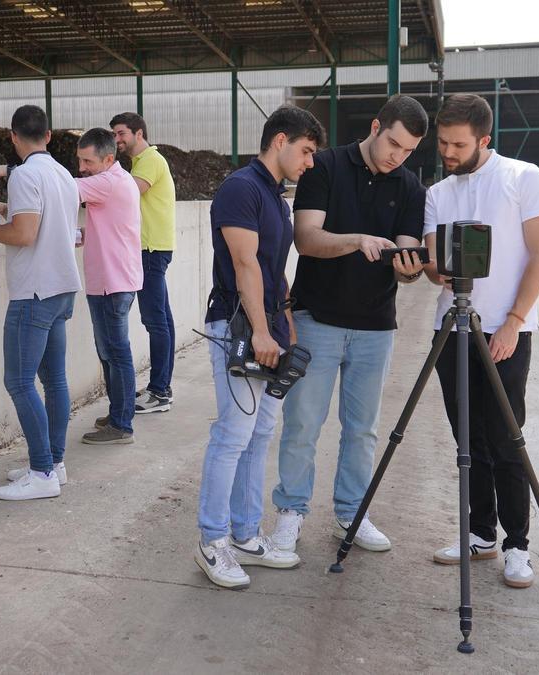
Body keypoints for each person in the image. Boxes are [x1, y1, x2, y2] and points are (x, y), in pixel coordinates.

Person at [268, 95, 429, 558]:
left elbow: (404, 259)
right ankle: (291, 513)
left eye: (408, 150)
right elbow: (307, 239)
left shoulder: (410, 187)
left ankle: (352, 514)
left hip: (376, 326)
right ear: (376, 127)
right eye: (393, 143)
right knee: (303, 423)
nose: (397, 156)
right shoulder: (324, 166)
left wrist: (410, 267)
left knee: (362, 429)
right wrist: (357, 241)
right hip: (317, 318)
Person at [421, 94, 539, 589]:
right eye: (442, 142)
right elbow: (438, 264)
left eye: (458, 144)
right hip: (451, 330)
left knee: (506, 438)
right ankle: (480, 534)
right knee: (467, 440)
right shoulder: (438, 192)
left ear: (484, 139)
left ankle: (518, 544)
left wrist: (515, 320)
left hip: (505, 330)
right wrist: (423, 267)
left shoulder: (523, 178)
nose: (448, 151)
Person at [194, 105, 324, 590]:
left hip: (268, 328)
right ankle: (213, 540)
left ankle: (247, 534)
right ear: (280, 140)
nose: (309, 163)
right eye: (306, 152)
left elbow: (273, 269)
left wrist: (285, 322)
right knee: (233, 433)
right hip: (238, 326)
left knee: (260, 432)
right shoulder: (241, 188)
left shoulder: (275, 197)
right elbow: (245, 265)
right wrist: (263, 331)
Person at [0, 105, 81, 501]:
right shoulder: (63, 174)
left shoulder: (25, 175)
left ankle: (42, 472)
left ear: (13, 137)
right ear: (48, 135)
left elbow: (25, 234)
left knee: (19, 382)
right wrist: (5, 209)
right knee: (54, 380)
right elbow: (45, 219)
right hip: (61, 287)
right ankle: (54, 463)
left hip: (34, 292)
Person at [73, 128, 144, 445]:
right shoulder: (110, 181)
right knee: (109, 353)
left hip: (114, 283)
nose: (82, 167)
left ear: (109, 159)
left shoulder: (110, 181)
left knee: (117, 354)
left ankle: (122, 424)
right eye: (80, 160)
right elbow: (105, 230)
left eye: (87, 161)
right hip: (106, 281)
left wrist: (12, 173)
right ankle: (118, 412)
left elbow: (61, 189)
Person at [110, 112, 177, 414]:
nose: (117, 139)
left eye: (121, 133)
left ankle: (159, 391)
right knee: (163, 320)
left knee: (155, 322)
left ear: (139, 133)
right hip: (153, 249)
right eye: (114, 134)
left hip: (149, 251)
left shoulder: (149, 159)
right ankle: (162, 387)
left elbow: (126, 194)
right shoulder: (141, 162)